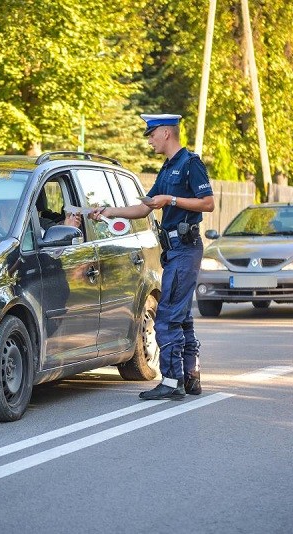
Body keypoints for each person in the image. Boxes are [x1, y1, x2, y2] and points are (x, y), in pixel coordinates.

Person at [89, 113, 214, 400]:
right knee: (181, 318)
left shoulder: (190, 164)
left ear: (167, 133)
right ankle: (191, 377)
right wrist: (108, 212)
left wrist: (170, 200)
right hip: (173, 251)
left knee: (168, 316)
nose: (149, 140)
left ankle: (172, 382)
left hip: (185, 248)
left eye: (152, 134)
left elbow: (208, 203)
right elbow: (145, 207)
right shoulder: (168, 168)